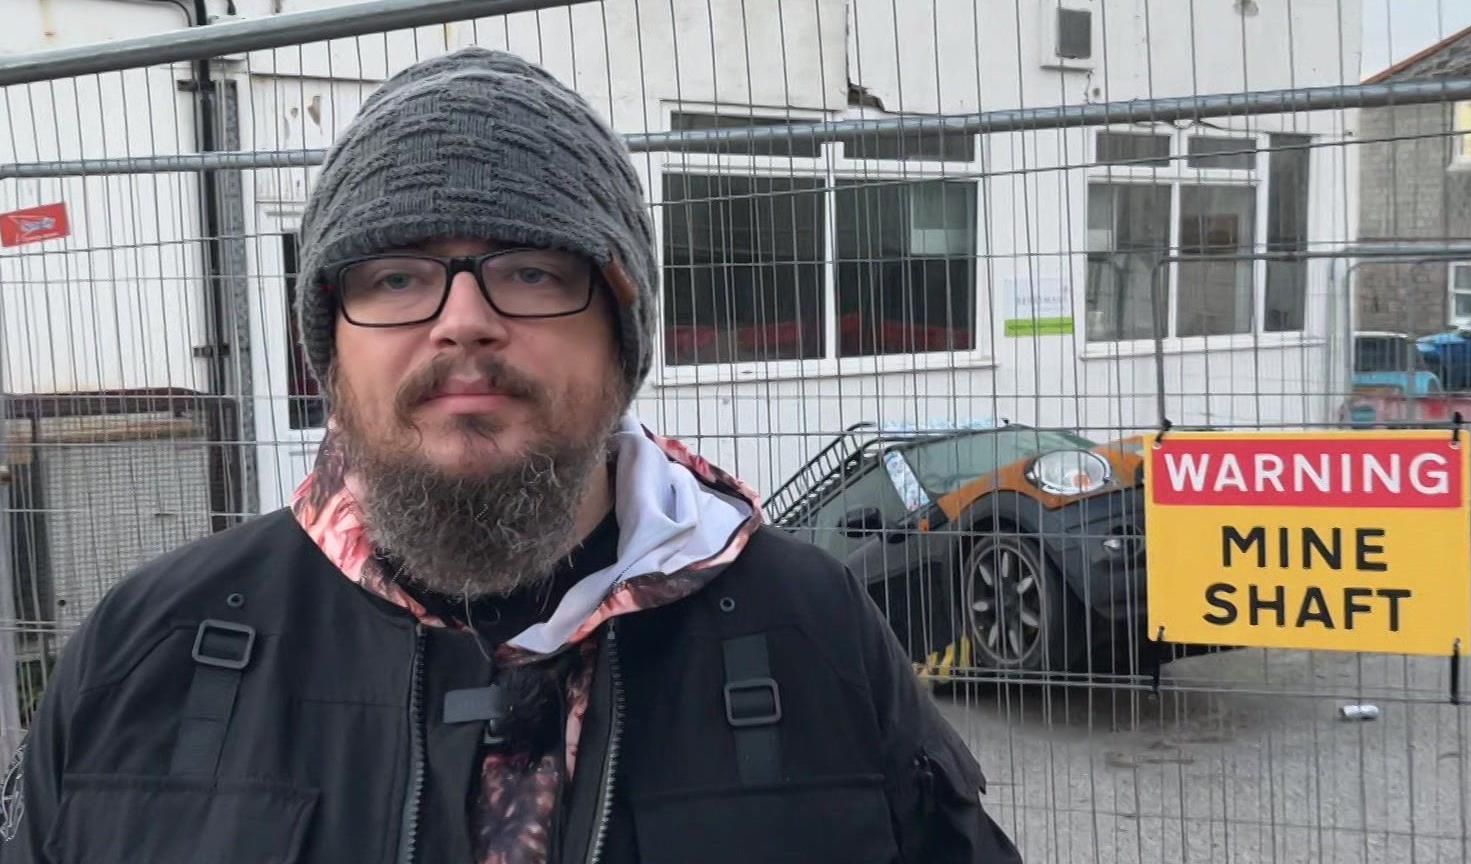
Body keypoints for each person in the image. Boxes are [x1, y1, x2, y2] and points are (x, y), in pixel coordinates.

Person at [0, 47, 1020, 864]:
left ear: (622, 340)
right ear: (328, 345)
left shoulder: (813, 633)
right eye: (398, 277)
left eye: (529, 270)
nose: (464, 323)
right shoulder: (150, 653)